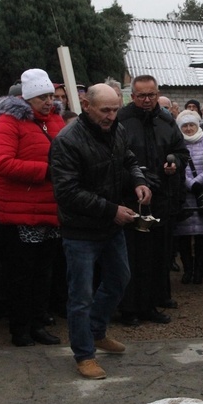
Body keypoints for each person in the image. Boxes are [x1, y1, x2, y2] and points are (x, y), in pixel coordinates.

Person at [50, 83, 150, 380]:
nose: (110, 116)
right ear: (87, 106)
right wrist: (112, 210)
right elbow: (67, 192)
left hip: (109, 225)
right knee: (80, 294)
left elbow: (128, 160)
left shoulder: (116, 130)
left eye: (115, 109)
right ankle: (84, 354)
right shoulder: (66, 140)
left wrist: (138, 181)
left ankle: (96, 331)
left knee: (120, 279)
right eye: (105, 110)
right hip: (79, 229)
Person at [0, 68, 65, 347]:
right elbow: (1, 163)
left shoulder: (55, 122)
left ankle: (38, 324)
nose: (48, 101)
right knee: (21, 276)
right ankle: (20, 329)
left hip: (49, 211)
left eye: (51, 96)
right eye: (42, 97)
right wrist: (46, 171)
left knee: (44, 274)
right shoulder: (8, 123)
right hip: (18, 213)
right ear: (27, 98)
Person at [117, 75, 188, 325]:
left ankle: (150, 306)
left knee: (158, 257)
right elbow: (114, 159)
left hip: (161, 199)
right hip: (130, 199)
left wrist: (174, 164)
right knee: (132, 257)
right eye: (141, 96)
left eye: (151, 95)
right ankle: (129, 308)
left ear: (157, 94)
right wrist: (136, 177)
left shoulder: (167, 121)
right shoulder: (120, 121)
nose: (147, 100)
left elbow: (182, 153)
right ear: (132, 97)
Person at [173, 110, 203, 285]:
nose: (189, 128)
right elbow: (177, 168)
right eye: (185, 126)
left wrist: (199, 182)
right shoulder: (176, 144)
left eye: (192, 125)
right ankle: (187, 270)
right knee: (183, 237)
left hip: (202, 195)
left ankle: (199, 270)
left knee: (202, 238)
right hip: (185, 196)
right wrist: (190, 184)